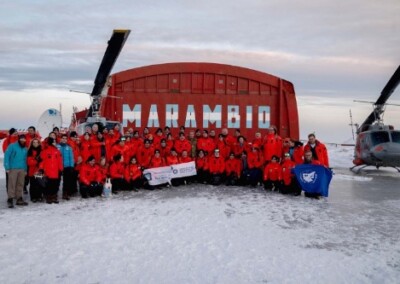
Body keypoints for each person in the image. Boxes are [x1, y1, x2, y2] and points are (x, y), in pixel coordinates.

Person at [4, 134, 28, 208]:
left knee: (20, 184)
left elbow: (25, 160)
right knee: (12, 184)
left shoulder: (25, 148)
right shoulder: (12, 146)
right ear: (19, 139)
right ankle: (10, 199)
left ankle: (19, 198)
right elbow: (6, 156)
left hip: (22, 169)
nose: (22, 140)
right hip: (13, 168)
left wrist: (25, 169)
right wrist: (7, 167)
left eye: (24, 139)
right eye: (21, 138)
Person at [40, 137, 63, 204]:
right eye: (53, 142)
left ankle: (54, 196)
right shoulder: (45, 151)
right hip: (48, 171)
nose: (55, 143)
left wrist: (60, 169)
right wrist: (41, 168)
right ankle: (48, 196)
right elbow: (42, 161)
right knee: (48, 184)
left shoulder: (57, 151)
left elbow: (60, 161)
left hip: (56, 171)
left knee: (55, 184)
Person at [57, 134, 75, 200]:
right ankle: (54, 193)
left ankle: (65, 193)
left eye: (65, 138)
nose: (64, 139)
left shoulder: (69, 147)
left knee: (67, 181)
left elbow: (71, 157)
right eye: (63, 138)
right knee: (57, 180)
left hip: (67, 166)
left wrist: (71, 166)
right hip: (58, 166)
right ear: (60, 139)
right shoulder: (57, 146)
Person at [27, 138, 43, 202]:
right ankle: (33, 197)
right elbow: (29, 162)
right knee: (33, 185)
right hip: (32, 170)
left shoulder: (41, 151)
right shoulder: (29, 151)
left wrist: (40, 165)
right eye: (34, 142)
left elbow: (43, 161)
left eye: (37, 142)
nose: (35, 143)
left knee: (39, 184)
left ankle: (39, 196)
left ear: (39, 143)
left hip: (39, 170)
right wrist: (36, 161)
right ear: (32, 143)